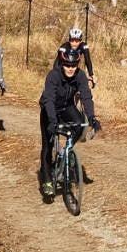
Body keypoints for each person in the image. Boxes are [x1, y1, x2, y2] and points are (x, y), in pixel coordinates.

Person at [39, 44, 100, 197]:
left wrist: (92, 117)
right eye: (67, 65)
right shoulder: (53, 75)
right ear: (62, 63)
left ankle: (66, 151)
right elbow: (48, 100)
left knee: (80, 125)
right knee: (47, 145)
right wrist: (52, 121)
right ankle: (47, 180)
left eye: (74, 65)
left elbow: (86, 97)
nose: (71, 68)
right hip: (49, 109)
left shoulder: (80, 75)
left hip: (67, 106)